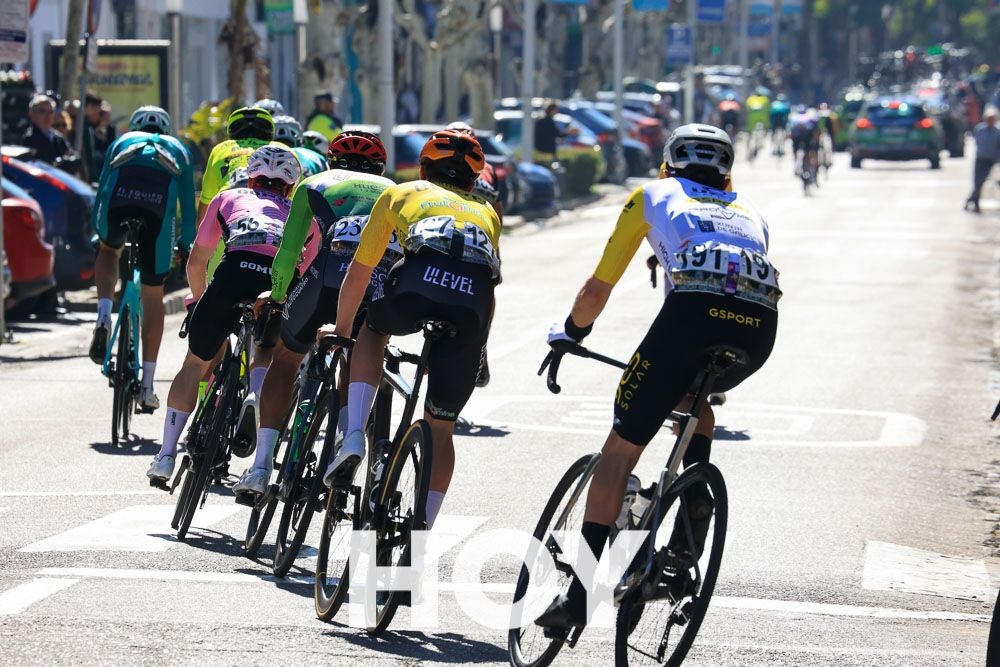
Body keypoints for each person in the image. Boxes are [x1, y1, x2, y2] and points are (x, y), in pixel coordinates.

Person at [534, 124, 780, 632]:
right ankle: (691, 515)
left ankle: (578, 596)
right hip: (758, 334)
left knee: (620, 450)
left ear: (667, 165)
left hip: (691, 321)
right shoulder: (751, 210)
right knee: (697, 400)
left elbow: (599, 287)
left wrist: (572, 333)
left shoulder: (652, 195)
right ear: (726, 174)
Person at [318, 129, 501, 538]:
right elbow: (488, 284)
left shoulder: (403, 193)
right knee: (441, 427)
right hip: (472, 309)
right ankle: (421, 534)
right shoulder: (489, 212)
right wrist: (478, 351)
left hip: (416, 285)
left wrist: (341, 328)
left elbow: (361, 270)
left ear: (423, 168)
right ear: (474, 181)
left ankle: (352, 439)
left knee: (371, 329)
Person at [232, 131, 396, 495]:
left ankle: (260, 469)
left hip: (326, 277)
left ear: (333, 161)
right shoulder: (392, 190)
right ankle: (345, 439)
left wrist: (275, 296)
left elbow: (289, 252)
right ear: (379, 166)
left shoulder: (315, 182)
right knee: (359, 353)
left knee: (287, 357)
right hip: (376, 281)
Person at [146, 145, 301, 483]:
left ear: (250, 177)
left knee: (195, 363)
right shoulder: (299, 209)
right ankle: (254, 395)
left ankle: (166, 455)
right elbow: (308, 265)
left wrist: (203, 303)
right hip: (275, 279)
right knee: (268, 350)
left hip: (234, 272)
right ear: (290, 186)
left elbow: (196, 262)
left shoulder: (229, 198)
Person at [89, 106, 197, 411]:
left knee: (109, 251)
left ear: (136, 125)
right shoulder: (179, 149)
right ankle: (148, 386)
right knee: (152, 291)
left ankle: (102, 316)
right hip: (157, 210)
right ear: (165, 129)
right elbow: (187, 207)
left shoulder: (122, 141)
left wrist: (99, 232)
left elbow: (102, 191)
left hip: (117, 203)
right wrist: (184, 243)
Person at [197, 107, 280, 225]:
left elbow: (206, 203)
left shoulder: (220, 149)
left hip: (230, 209)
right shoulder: (282, 148)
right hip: (272, 212)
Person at [21, 94, 73, 165]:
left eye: (51, 111)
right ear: (32, 114)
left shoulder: (58, 138)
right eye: (42, 111)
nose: (48, 115)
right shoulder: (29, 138)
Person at [965, 108, 1000, 213]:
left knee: (986, 181)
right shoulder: (980, 130)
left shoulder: (997, 132)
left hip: (991, 159)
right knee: (978, 182)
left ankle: (971, 200)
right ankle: (973, 202)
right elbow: (977, 142)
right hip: (981, 159)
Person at [789, 105, 821, 179]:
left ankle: (796, 162)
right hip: (807, 137)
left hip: (797, 137)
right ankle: (811, 167)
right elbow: (816, 129)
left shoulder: (794, 117)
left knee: (795, 150)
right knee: (810, 152)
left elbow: (790, 130)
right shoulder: (810, 117)